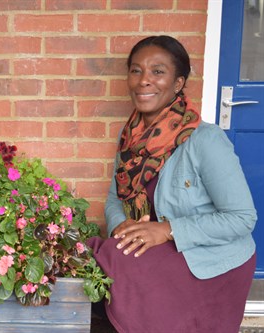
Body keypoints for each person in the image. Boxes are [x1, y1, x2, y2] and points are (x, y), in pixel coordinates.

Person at [88, 35, 257, 333]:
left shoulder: (206, 140)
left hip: (207, 256)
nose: (144, 81)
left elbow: (242, 219)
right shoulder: (130, 137)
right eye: (136, 70)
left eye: (157, 71)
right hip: (155, 245)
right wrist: (121, 229)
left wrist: (166, 230)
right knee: (99, 259)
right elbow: (115, 198)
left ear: (178, 84)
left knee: (122, 268)